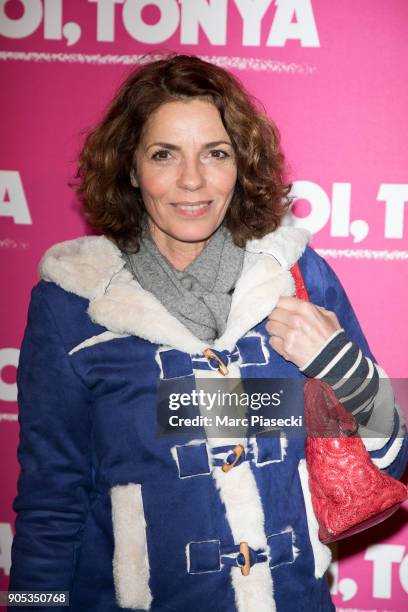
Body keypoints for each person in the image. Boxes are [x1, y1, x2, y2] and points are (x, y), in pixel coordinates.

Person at [9, 54, 407, 612]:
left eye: (215, 154)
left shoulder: (297, 275)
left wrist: (337, 364)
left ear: (239, 165)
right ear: (130, 167)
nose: (191, 180)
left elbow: (394, 451)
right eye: (164, 154)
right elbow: (52, 502)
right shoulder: (71, 303)